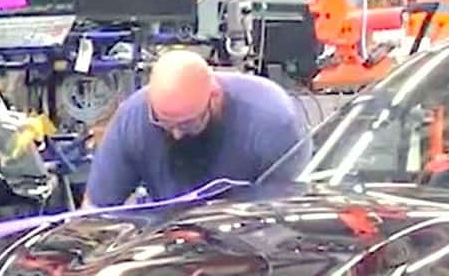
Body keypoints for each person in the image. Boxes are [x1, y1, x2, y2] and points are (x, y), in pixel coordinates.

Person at [85, 49, 312, 207]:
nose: (176, 133)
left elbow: (285, 219)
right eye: (163, 123)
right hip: (171, 242)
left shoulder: (274, 123)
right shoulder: (134, 117)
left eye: (187, 123)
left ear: (214, 97)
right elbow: (95, 212)